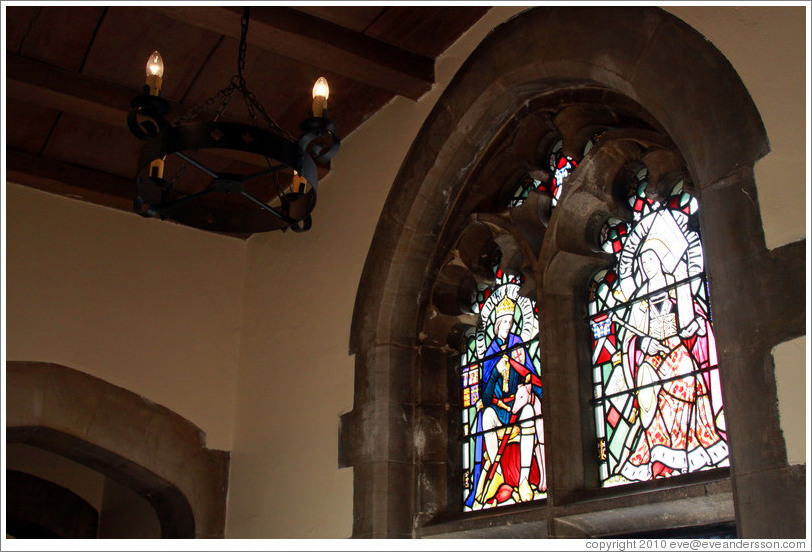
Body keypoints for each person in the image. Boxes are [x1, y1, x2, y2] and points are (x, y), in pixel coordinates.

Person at [614, 237, 727, 482]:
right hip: (653, 359)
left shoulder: (679, 287)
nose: (648, 265)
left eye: (652, 259)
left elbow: (698, 319)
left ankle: (684, 449)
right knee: (648, 390)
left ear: (662, 261)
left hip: (677, 350)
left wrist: (694, 326)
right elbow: (631, 339)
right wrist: (645, 343)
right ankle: (659, 455)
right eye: (643, 262)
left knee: (687, 376)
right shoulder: (640, 297)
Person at [467, 295, 546, 508]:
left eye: (511, 322)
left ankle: (523, 480)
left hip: (518, 407)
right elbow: (484, 397)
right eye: (504, 323)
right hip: (499, 409)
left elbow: (531, 374)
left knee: (530, 412)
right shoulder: (491, 351)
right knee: (486, 416)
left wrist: (527, 385)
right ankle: (498, 467)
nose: (508, 326)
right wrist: (495, 373)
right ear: (497, 324)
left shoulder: (518, 344)